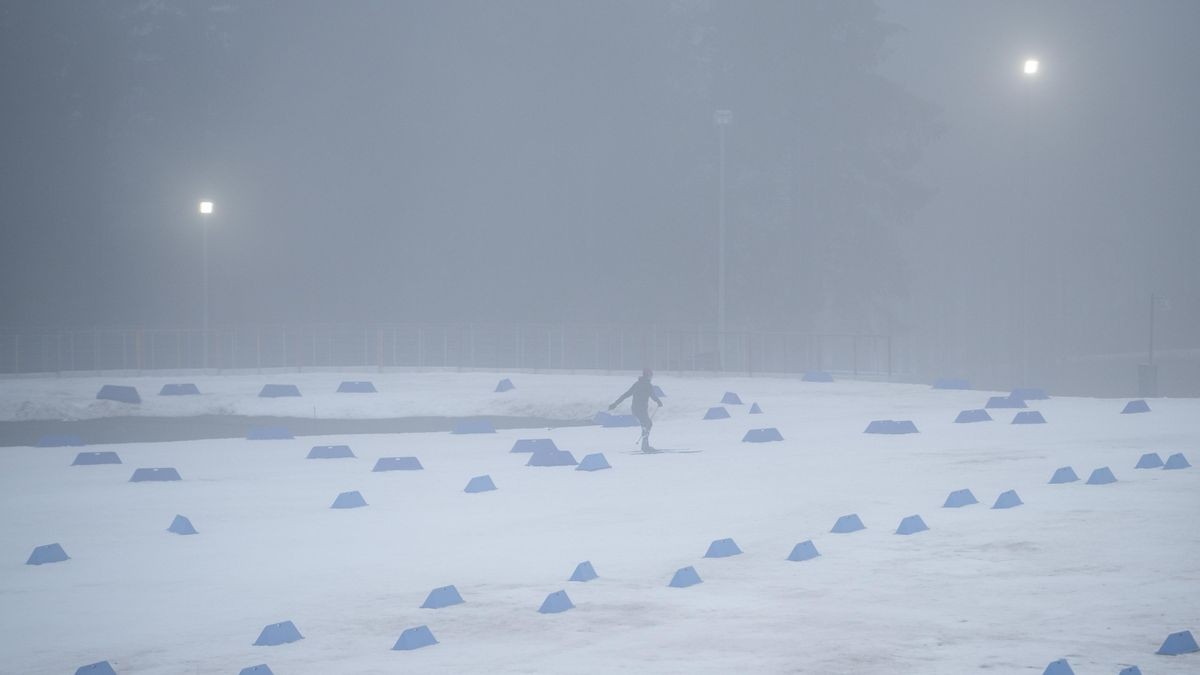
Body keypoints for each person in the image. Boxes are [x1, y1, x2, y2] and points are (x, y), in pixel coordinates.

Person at [609, 368, 663, 452]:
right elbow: (653, 396)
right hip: (641, 409)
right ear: (649, 376)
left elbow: (626, 394)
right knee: (648, 424)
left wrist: (615, 404)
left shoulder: (637, 384)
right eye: (651, 375)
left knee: (646, 425)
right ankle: (645, 446)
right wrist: (659, 402)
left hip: (635, 409)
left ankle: (645, 445)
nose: (651, 377)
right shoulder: (648, 385)